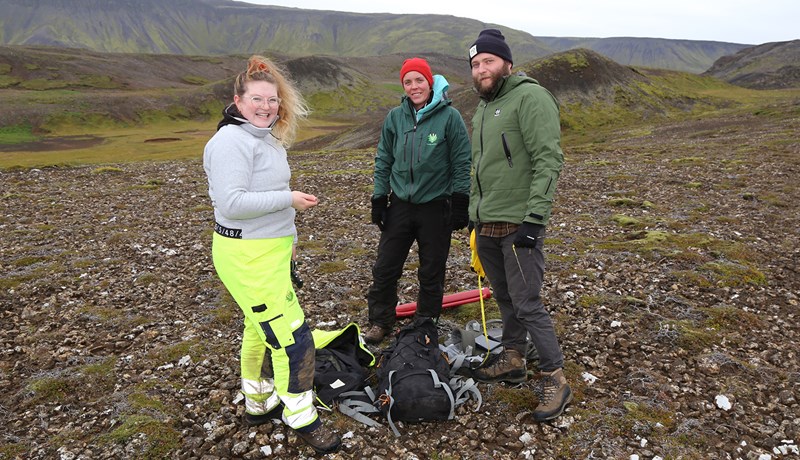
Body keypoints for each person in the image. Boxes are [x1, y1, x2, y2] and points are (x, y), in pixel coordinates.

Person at [203, 55, 340, 454]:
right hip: (247, 257)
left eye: (273, 100)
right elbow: (232, 203)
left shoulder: (265, 138)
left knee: (257, 328)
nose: (267, 107)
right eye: (258, 99)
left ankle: (258, 402)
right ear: (238, 100)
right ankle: (300, 416)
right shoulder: (230, 142)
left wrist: (290, 237)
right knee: (293, 340)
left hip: (269, 252)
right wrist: (290, 200)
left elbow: (266, 203)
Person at [466, 29, 572, 422]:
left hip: (518, 222)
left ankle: (554, 377)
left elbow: (549, 159)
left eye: (488, 61)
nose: (481, 69)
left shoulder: (530, 97)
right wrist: (473, 215)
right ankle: (512, 358)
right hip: (488, 222)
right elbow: (482, 168)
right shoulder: (483, 108)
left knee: (527, 303)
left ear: (507, 63)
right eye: (475, 65)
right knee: (505, 297)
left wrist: (535, 219)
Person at [364, 57, 472, 343]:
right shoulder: (395, 117)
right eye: (408, 82)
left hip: (436, 207)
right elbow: (384, 158)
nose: (414, 87)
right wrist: (379, 197)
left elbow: (462, 162)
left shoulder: (450, 118)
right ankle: (380, 321)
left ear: (430, 82)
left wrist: (461, 202)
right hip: (400, 204)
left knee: (431, 269)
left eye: (419, 80)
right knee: (385, 267)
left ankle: (426, 321)